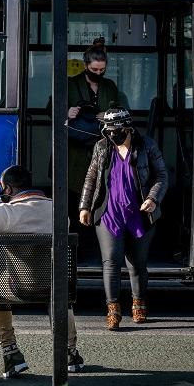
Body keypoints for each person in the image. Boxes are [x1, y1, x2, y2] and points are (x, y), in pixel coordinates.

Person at [0, 164, 87, 378]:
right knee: (59, 291)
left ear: (7, 190)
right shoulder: (58, 212)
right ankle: (69, 353)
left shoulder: (8, 213)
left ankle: (11, 353)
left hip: (21, 287)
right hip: (55, 287)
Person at [78, 104, 168, 330]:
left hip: (140, 214)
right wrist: (85, 207)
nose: (112, 134)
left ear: (128, 128)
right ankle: (113, 309)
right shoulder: (102, 147)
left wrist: (153, 198)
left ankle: (139, 304)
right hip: (109, 213)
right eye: (108, 130)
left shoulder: (147, 145)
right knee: (111, 261)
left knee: (137, 264)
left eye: (116, 130)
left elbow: (162, 176)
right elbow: (91, 179)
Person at [66, 45, 120, 262]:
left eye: (102, 70)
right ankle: (74, 250)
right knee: (74, 199)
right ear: (85, 65)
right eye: (94, 69)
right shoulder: (70, 84)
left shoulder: (109, 86)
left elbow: (119, 112)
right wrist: (66, 111)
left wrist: (107, 115)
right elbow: (51, 107)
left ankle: (100, 248)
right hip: (74, 151)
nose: (98, 73)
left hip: (102, 148)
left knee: (100, 197)